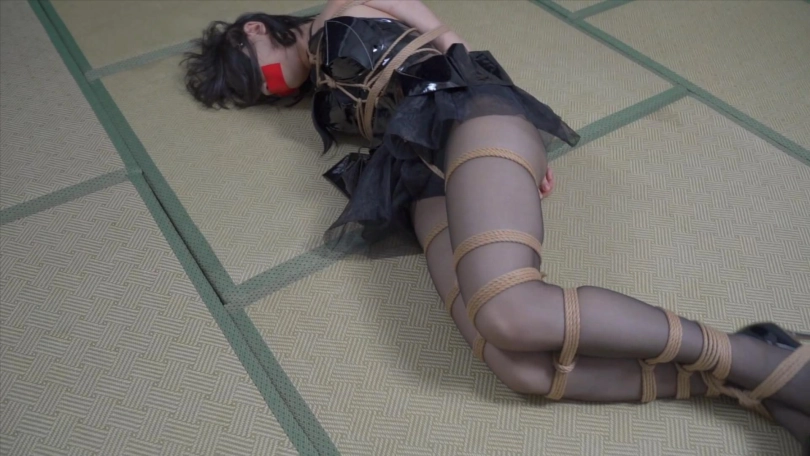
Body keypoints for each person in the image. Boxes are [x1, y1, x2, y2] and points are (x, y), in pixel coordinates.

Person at [181, 0, 810, 450]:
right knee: (519, 369)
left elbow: (444, 35)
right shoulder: (320, 92)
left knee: (509, 312)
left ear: (254, 28)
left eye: (255, 75)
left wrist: (513, 114)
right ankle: (746, 384)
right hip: (415, 172)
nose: (267, 91)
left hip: (465, 111)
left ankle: (760, 359)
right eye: (256, 94)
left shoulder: (344, 8)